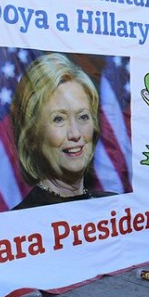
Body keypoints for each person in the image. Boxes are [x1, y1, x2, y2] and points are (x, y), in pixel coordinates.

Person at [11, 53, 114, 210]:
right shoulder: (17, 224)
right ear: (32, 136)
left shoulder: (116, 207)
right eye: (59, 119)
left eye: (83, 116)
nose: (75, 134)